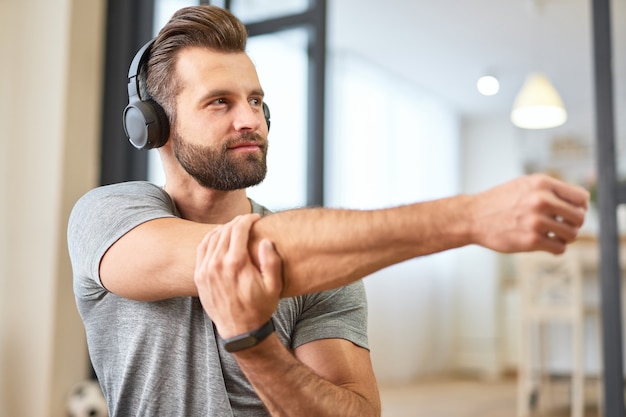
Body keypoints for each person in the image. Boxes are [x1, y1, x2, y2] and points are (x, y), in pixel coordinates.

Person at [67, 5, 589, 417]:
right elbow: (228, 259)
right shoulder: (107, 214)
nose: (250, 119)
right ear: (153, 126)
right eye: (219, 102)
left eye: (256, 100)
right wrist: (469, 218)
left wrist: (256, 345)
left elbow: (356, 413)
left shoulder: (326, 258)